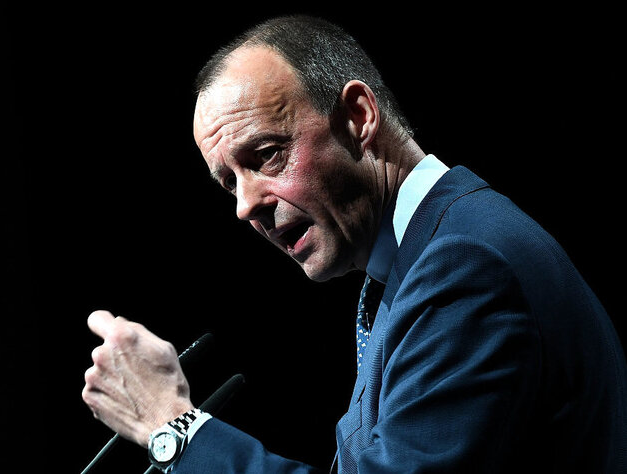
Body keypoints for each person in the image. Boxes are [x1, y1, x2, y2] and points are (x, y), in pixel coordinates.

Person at [81, 14, 627, 473]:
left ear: (359, 117)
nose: (245, 206)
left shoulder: (466, 267)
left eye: (266, 155)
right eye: (229, 183)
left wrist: (171, 426)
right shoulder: (415, 263)